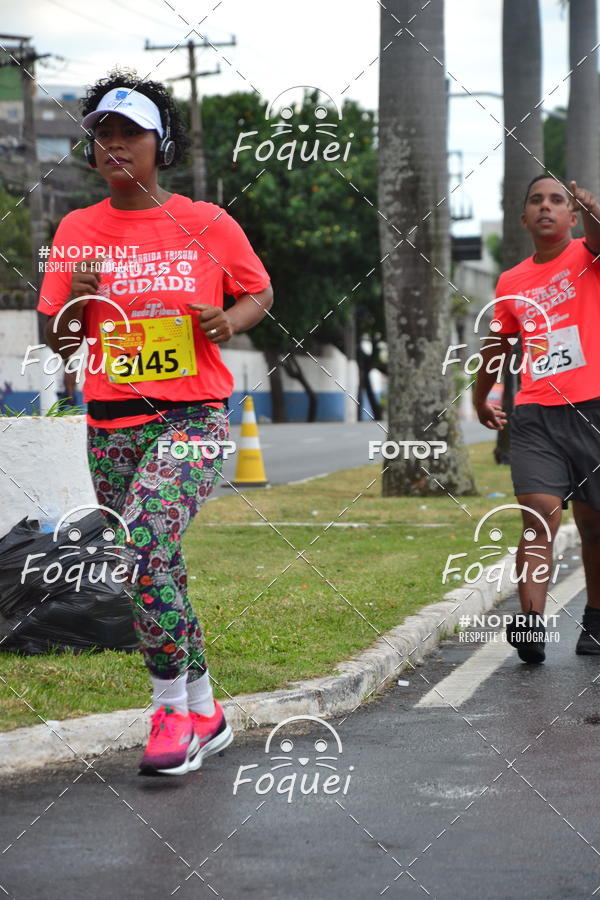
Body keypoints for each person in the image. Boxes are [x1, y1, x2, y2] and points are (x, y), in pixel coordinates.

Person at [37, 69, 273, 774]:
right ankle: (206, 708)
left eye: (129, 132)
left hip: (191, 417)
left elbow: (258, 290)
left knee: (141, 547)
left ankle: (170, 711)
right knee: (156, 562)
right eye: (102, 133)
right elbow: (59, 338)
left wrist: (228, 319)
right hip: (109, 422)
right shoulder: (77, 229)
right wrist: (75, 307)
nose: (114, 145)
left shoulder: (207, 222)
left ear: (159, 143)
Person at [474, 173, 600, 664]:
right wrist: (484, 397)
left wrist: (594, 210)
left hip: (592, 410)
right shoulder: (511, 281)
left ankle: (594, 622)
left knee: (593, 526)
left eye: (558, 201)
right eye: (536, 201)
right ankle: (531, 622)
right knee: (539, 513)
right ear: (523, 217)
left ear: (572, 216)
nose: (546, 208)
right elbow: (498, 346)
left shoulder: (588, 256)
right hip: (535, 413)